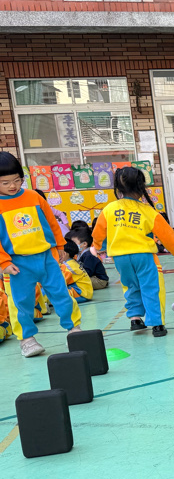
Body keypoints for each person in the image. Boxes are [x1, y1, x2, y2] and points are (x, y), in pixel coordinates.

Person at [0, 152, 82, 356]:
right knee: (22, 303)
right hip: (17, 264)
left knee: (61, 294)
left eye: (17, 180)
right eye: (5, 182)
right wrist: (4, 262)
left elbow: (52, 223)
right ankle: (27, 339)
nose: (12, 186)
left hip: (46, 258)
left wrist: (60, 245)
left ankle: (74, 330)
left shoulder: (34, 197)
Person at [92, 166, 174, 337]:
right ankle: (157, 325)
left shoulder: (109, 209)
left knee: (130, 286)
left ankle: (135, 319)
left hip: (120, 258)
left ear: (118, 188)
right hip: (144, 256)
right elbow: (167, 235)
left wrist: (96, 246)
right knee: (151, 287)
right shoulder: (147, 211)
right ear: (141, 187)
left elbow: (98, 232)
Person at [67, 226, 109, 290]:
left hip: (100, 281)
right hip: (93, 278)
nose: (73, 245)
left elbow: (88, 272)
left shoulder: (88, 255)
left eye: (75, 243)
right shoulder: (81, 254)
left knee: (78, 282)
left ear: (84, 244)